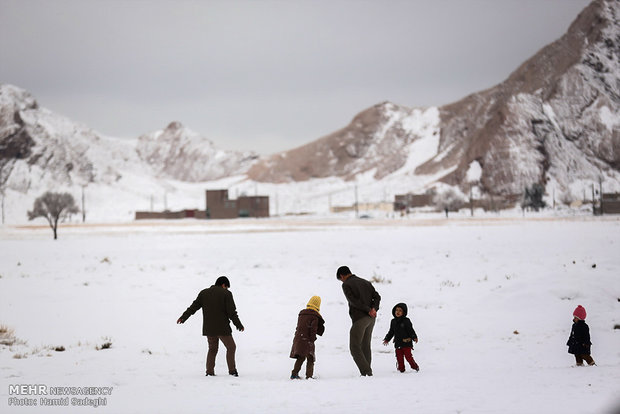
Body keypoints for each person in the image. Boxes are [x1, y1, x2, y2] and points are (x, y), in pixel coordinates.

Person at [177, 276, 244, 376]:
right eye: (227, 287)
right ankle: (232, 371)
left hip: (209, 328)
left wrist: (183, 317)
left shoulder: (204, 293)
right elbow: (232, 313)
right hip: (222, 328)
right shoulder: (226, 294)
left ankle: (209, 372)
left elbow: (193, 307)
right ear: (223, 285)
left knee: (212, 349)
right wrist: (238, 325)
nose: (227, 289)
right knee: (231, 347)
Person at [336, 265, 381, 376]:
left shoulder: (346, 284)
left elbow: (353, 301)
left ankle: (366, 372)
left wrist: (368, 310)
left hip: (360, 318)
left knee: (354, 346)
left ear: (342, 276)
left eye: (340, 279)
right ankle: (367, 371)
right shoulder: (366, 282)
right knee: (366, 345)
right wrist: (374, 309)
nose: (341, 281)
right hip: (371, 318)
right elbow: (377, 296)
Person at [289, 296, 325, 380]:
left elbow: (299, 327)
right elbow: (313, 330)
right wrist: (312, 340)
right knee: (310, 358)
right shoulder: (314, 316)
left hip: (299, 338)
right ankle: (309, 376)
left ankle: (294, 374)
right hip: (307, 340)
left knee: (301, 357)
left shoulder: (302, 314)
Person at [382, 302, 420, 372]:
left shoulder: (406, 321)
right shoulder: (393, 321)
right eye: (396, 310)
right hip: (398, 343)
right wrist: (387, 339)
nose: (398, 312)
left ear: (404, 312)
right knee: (399, 357)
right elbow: (391, 332)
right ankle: (401, 369)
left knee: (408, 357)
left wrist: (414, 337)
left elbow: (410, 330)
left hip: (406, 342)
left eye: (400, 311)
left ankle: (415, 366)